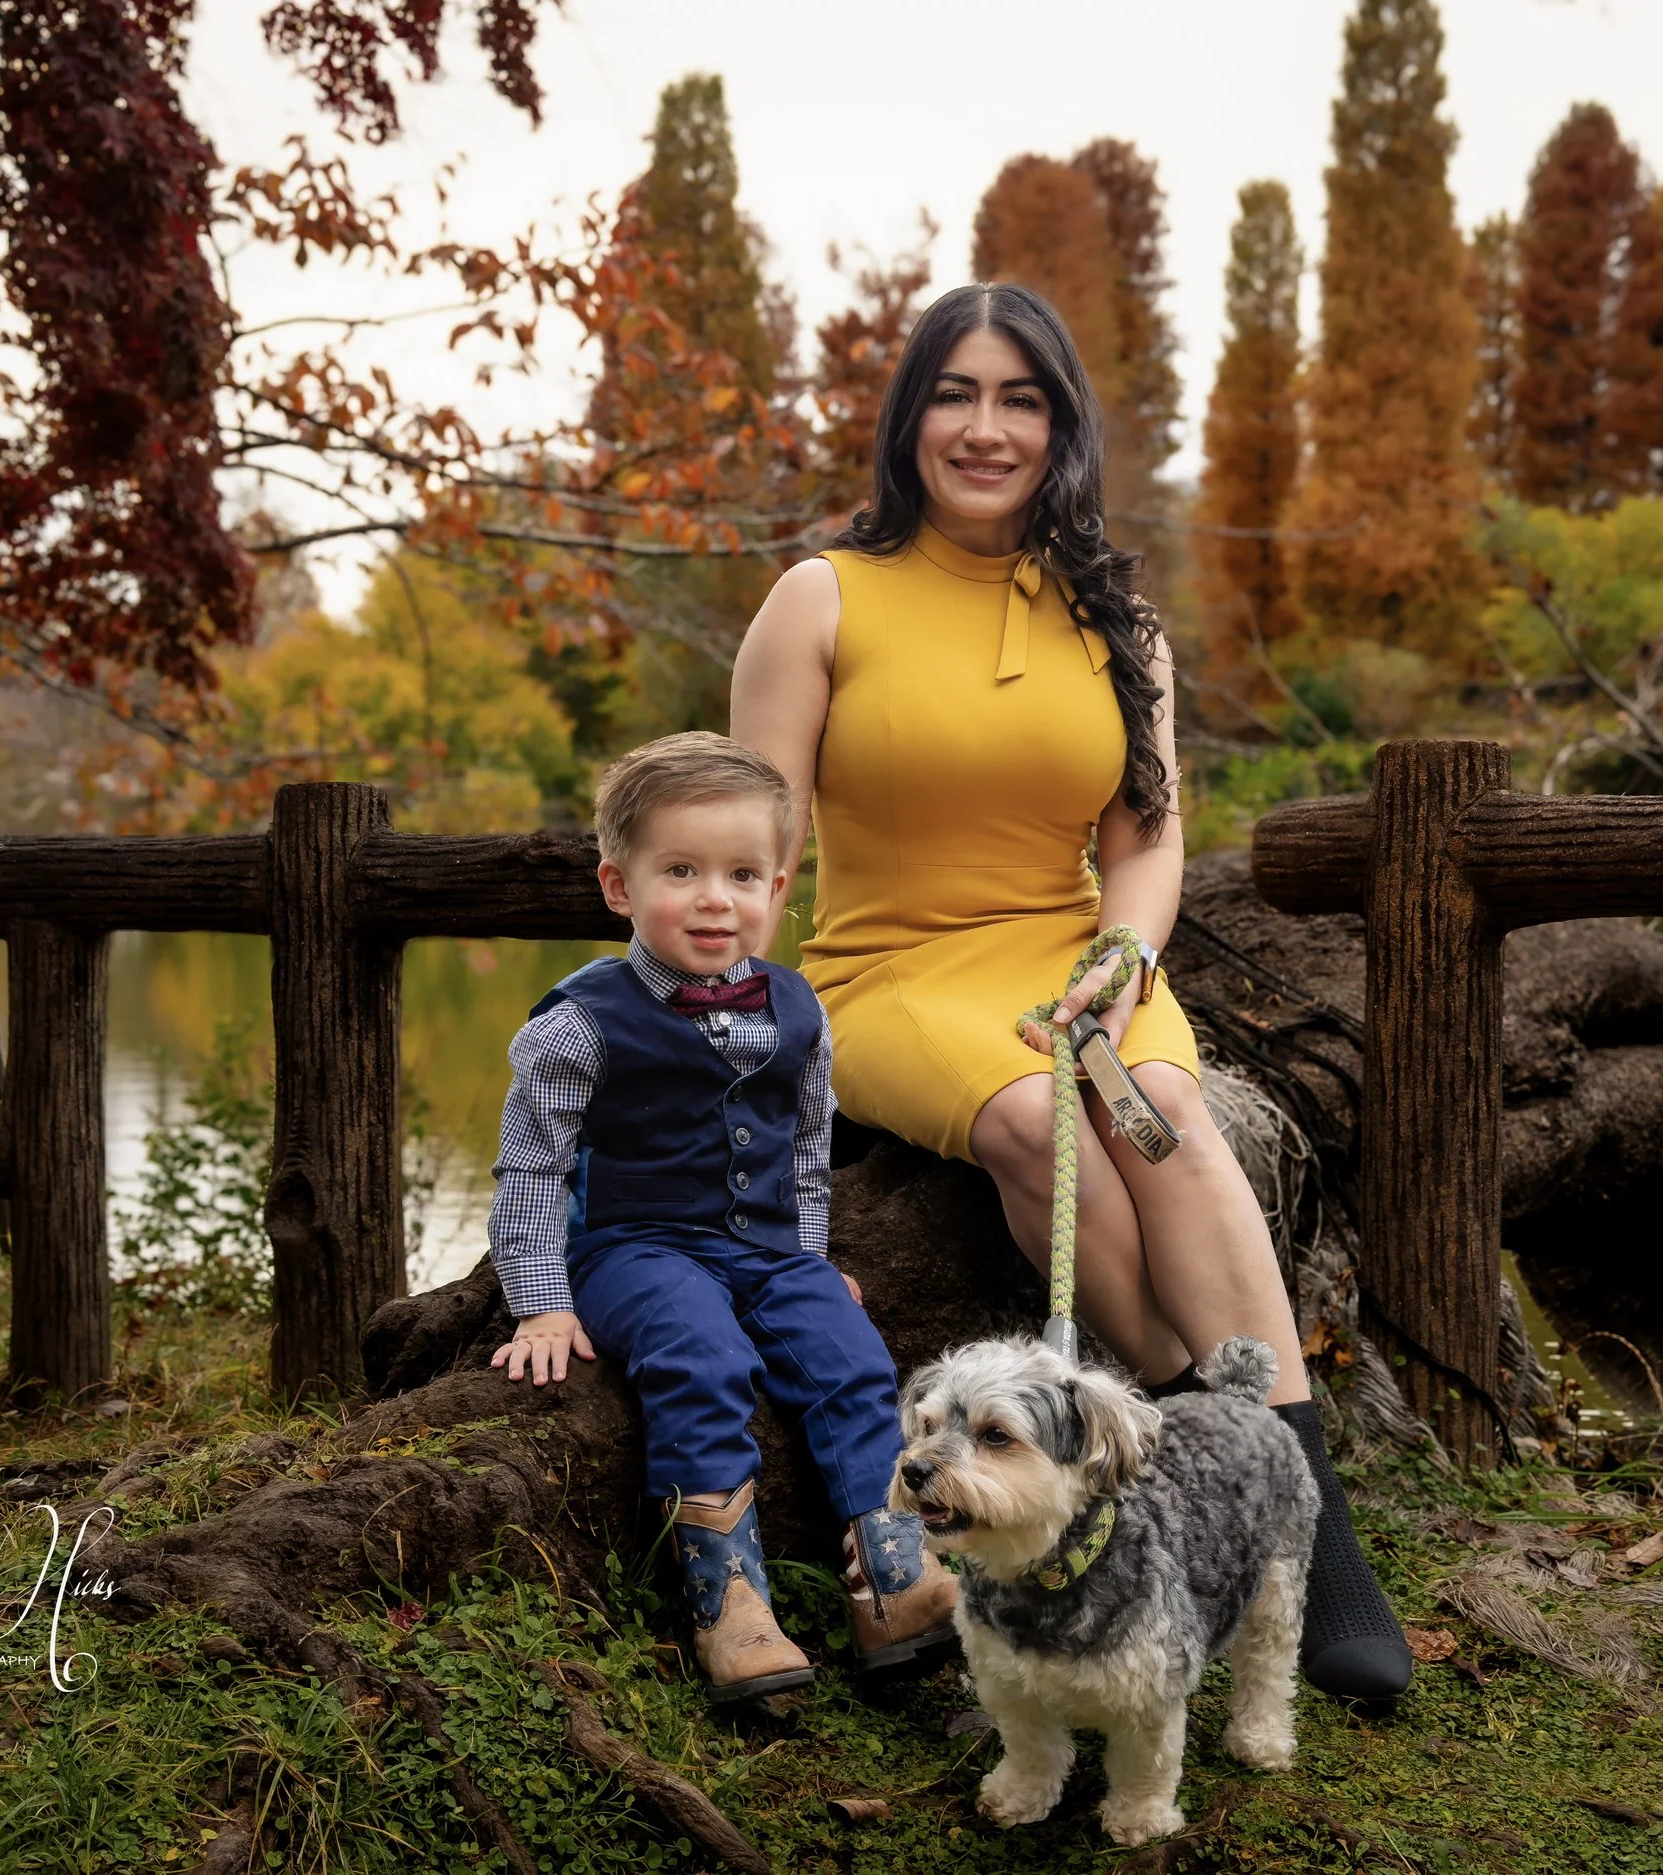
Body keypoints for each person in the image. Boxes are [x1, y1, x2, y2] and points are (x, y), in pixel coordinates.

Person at [729, 282, 1412, 1701]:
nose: (985, 428)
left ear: (1062, 426)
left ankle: (1315, 1536)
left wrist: (1126, 955)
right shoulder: (821, 598)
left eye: (1020, 398)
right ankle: (1206, 1448)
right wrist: (726, 1033)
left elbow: (1145, 840)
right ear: (909, 418)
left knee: (1169, 1113)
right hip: (891, 969)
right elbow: (753, 843)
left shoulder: (1115, 615)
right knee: (1041, 1123)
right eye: (955, 394)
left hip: (1076, 951)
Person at [484, 732, 958, 1702]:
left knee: (852, 1360)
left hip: (766, 1249)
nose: (714, 898)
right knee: (702, 1356)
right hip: (634, 1248)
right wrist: (541, 1303)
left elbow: (806, 1153)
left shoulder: (798, 1008)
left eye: (742, 875)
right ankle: (729, 1600)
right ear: (619, 886)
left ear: (777, 889)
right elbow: (530, 1168)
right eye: (681, 871)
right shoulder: (579, 1022)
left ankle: (893, 1577)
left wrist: (811, 1258)